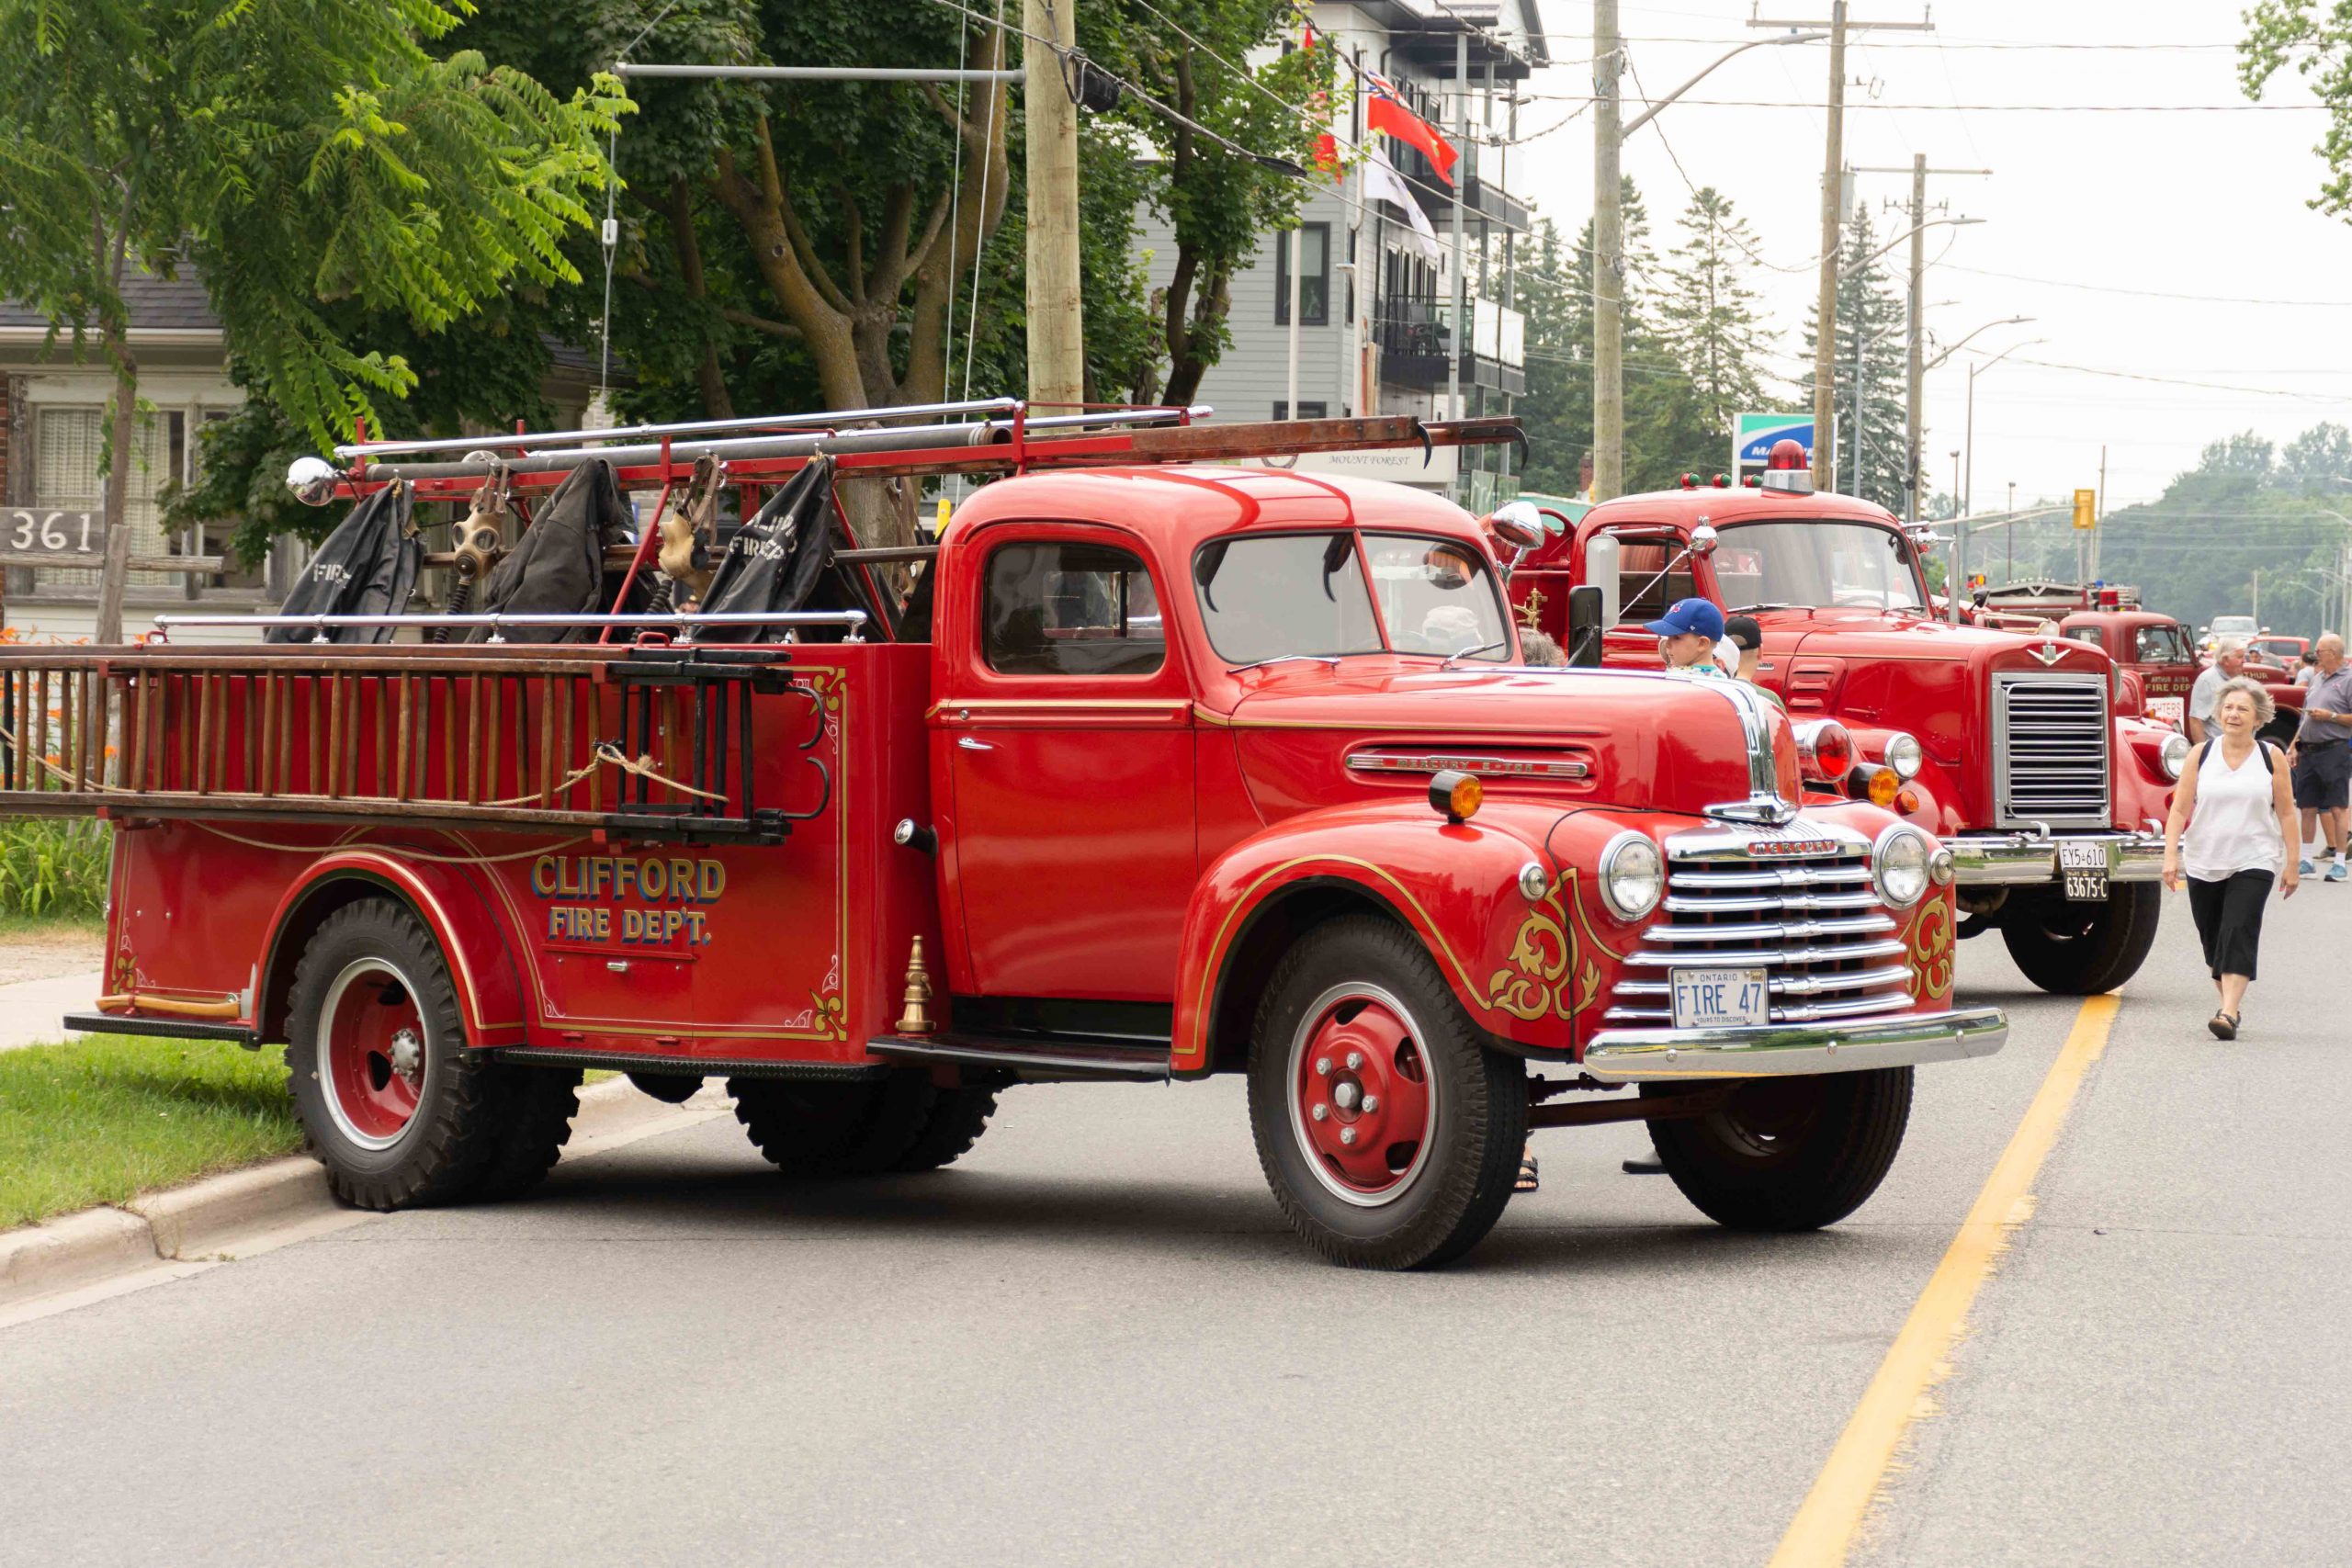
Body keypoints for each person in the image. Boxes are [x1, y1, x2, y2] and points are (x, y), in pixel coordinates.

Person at [2163, 677, 2299, 1038]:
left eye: (2242, 709)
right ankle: (2230, 1006)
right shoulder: (2200, 754)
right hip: (2204, 859)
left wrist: (2292, 862)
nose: (2233, 714)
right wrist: (2170, 857)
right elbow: (2178, 810)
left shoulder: (2271, 758)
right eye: (2228, 707)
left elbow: (2286, 812)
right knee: (2213, 940)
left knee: (2238, 929)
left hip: (2255, 858)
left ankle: (2228, 1012)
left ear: (2258, 718)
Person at [2287, 632, 2352, 882]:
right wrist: (2293, 746)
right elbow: (2304, 719)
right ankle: (2306, 860)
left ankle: (2339, 863)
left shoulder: (2348, 680)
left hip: (2334, 748)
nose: (2316, 655)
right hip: (2309, 750)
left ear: (2333, 653)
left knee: (2337, 806)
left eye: (2320, 651)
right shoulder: (2316, 679)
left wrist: (2331, 716)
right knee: (2306, 806)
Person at [1647, 596, 1729, 676]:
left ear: (1702, 644)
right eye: (1668, 637)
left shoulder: (1678, 679)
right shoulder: (1725, 681)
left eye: (1676, 637)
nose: (1667, 644)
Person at [2187, 639, 2247, 743]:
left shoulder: (2238, 679)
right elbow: (2196, 719)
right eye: (2240, 657)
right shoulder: (2207, 680)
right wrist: (2202, 752)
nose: (2244, 661)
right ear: (2225, 660)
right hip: (2217, 751)